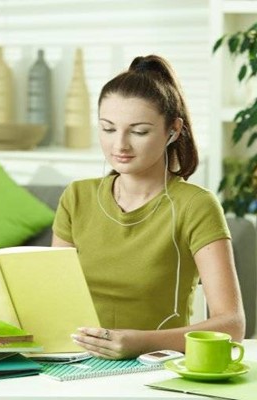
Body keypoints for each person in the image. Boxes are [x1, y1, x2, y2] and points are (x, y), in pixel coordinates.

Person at [52, 55, 245, 360]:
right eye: (108, 129)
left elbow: (232, 325)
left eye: (139, 131)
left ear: (174, 130)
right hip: (72, 360)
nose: (120, 145)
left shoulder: (196, 205)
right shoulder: (77, 197)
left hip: (154, 367)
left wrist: (140, 342)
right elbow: (52, 295)